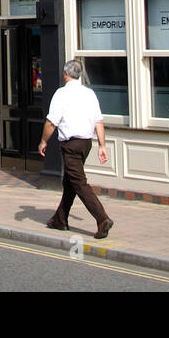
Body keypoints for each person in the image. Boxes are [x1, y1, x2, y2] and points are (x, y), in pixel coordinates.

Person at [38, 60, 114, 239]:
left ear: (66, 74)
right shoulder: (89, 93)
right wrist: (102, 145)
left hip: (71, 145)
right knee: (70, 182)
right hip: (86, 144)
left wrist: (43, 141)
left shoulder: (61, 94)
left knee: (79, 182)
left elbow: (51, 122)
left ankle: (102, 219)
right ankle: (60, 219)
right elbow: (99, 122)